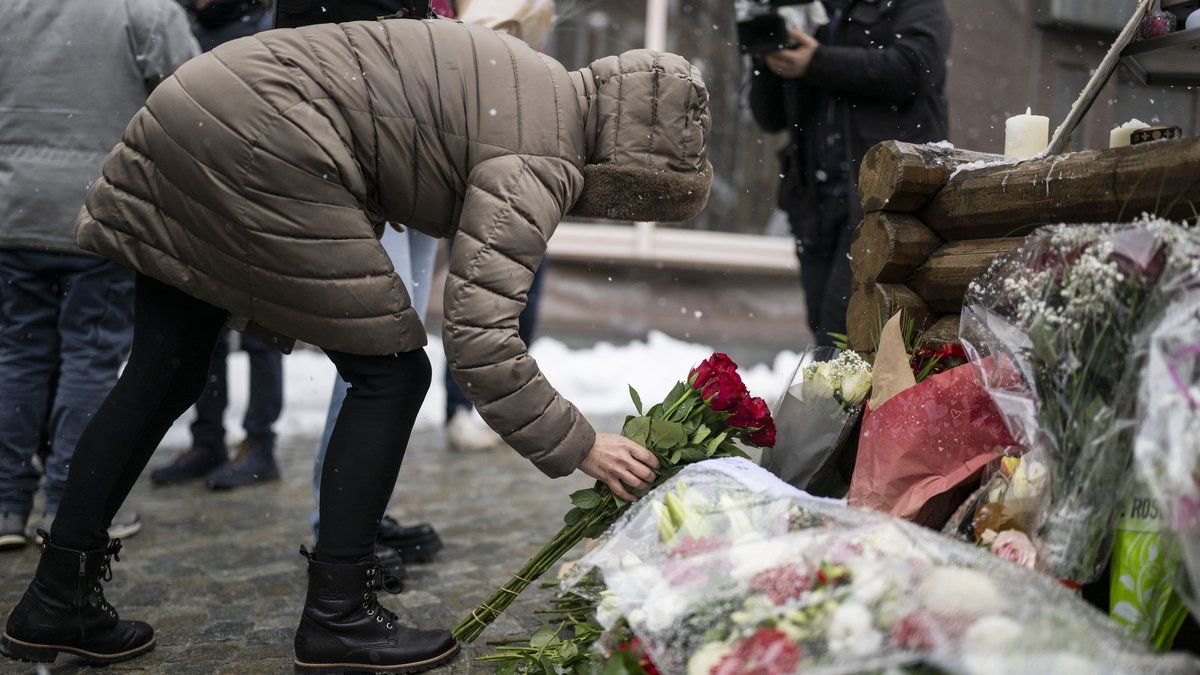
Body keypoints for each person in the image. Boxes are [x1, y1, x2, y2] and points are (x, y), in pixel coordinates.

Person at [1, 14, 711, 674]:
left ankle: (58, 596)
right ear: (633, 172)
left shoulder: (533, 83)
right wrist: (584, 443)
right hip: (271, 137)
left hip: (204, 104)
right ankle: (338, 612)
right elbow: (482, 341)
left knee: (165, 370)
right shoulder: (544, 152)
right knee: (392, 374)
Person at [0, 0, 198, 551]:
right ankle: (70, 502)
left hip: (13, 208)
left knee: (17, 353)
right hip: (100, 209)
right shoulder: (144, 9)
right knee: (91, 353)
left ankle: (6, 504)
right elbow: (195, 100)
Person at [749, 0, 950, 345]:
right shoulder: (808, 8)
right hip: (815, 203)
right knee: (826, 330)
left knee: (843, 334)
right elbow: (770, 117)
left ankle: (828, 401)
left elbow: (915, 67)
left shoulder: (913, 5)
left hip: (882, 204)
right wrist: (766, 60)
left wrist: (818, 61)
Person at [149, 0, 286, 492]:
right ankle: (207, 440)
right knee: (204, 335)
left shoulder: (268, 26)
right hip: (197, 203)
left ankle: (260, 445)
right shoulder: (182, 26)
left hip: (256, 202)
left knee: (262, 336)